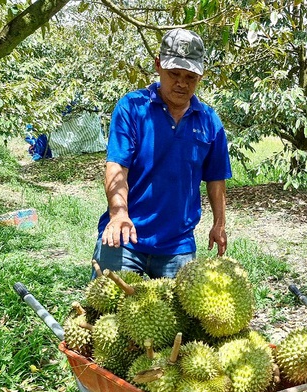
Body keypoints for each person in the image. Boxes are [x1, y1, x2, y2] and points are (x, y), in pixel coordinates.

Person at [92, 28, 231, 279]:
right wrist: (118, 212)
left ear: (200, 75)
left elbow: (216, 178)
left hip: (177, 244)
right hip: (125, 235)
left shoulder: (210, 121)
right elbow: (117, 166)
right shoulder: (132, 107)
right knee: (105, 313)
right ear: (158, 65)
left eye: (190, 77)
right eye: (174, 73)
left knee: (181, 316)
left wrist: (219, 223)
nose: (182, 83)